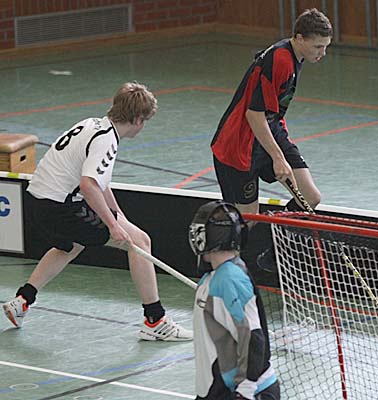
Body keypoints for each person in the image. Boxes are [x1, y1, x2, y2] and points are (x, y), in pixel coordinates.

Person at [2, 82, 192, 342]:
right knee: (140, 241)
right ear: (138, 119)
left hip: (37, 201)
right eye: (145, 121)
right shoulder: (106, 141)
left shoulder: (93, 124)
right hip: (59, 206)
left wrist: (119, 216)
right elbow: (88, 185)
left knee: (72, 245)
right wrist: (113, 226)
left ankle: (23, 300)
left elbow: (100, 183)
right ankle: (155, 320)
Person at [211, 8, 333, 216]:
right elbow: (253, 114)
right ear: (300, 38)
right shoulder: (281, 60)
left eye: (325, 47)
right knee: (248, 219)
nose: (322, 53)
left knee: (310, 197)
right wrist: (278, 158)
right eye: (318, 47)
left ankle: (280, 231)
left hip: (271, 129)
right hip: (240, 142)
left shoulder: (296, 56)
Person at [188, 201, 279, 400]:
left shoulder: (230, 279)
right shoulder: (214, 277)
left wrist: (245, 390)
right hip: (217, 390)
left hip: (244, 392)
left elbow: (253, 336)